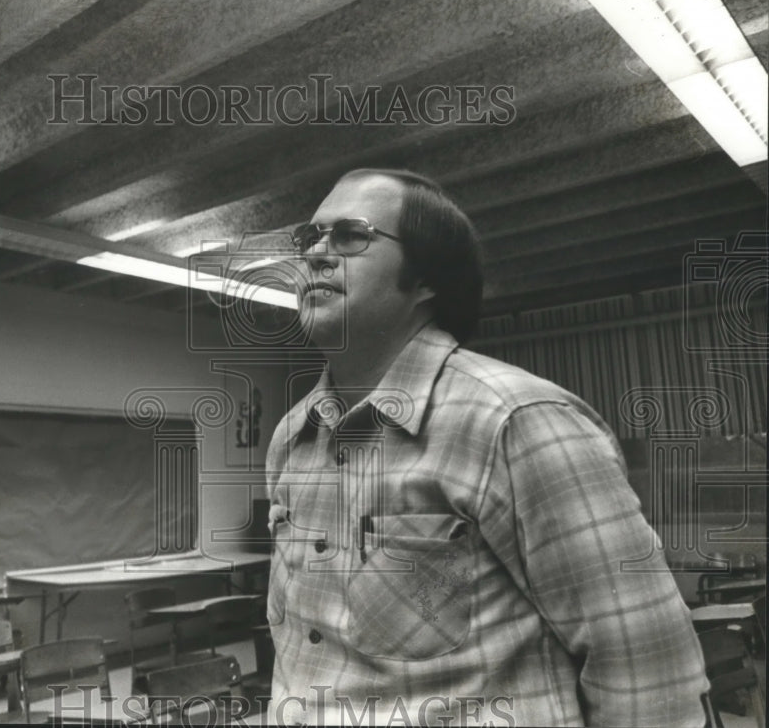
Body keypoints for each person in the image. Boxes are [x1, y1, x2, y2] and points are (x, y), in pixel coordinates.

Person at [264, 169, 709, 726]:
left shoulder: (517, 422)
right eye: (311, 238)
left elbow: (650, 673)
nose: (317, 255)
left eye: (352, 236)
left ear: (426, 278)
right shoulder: (292, 437)